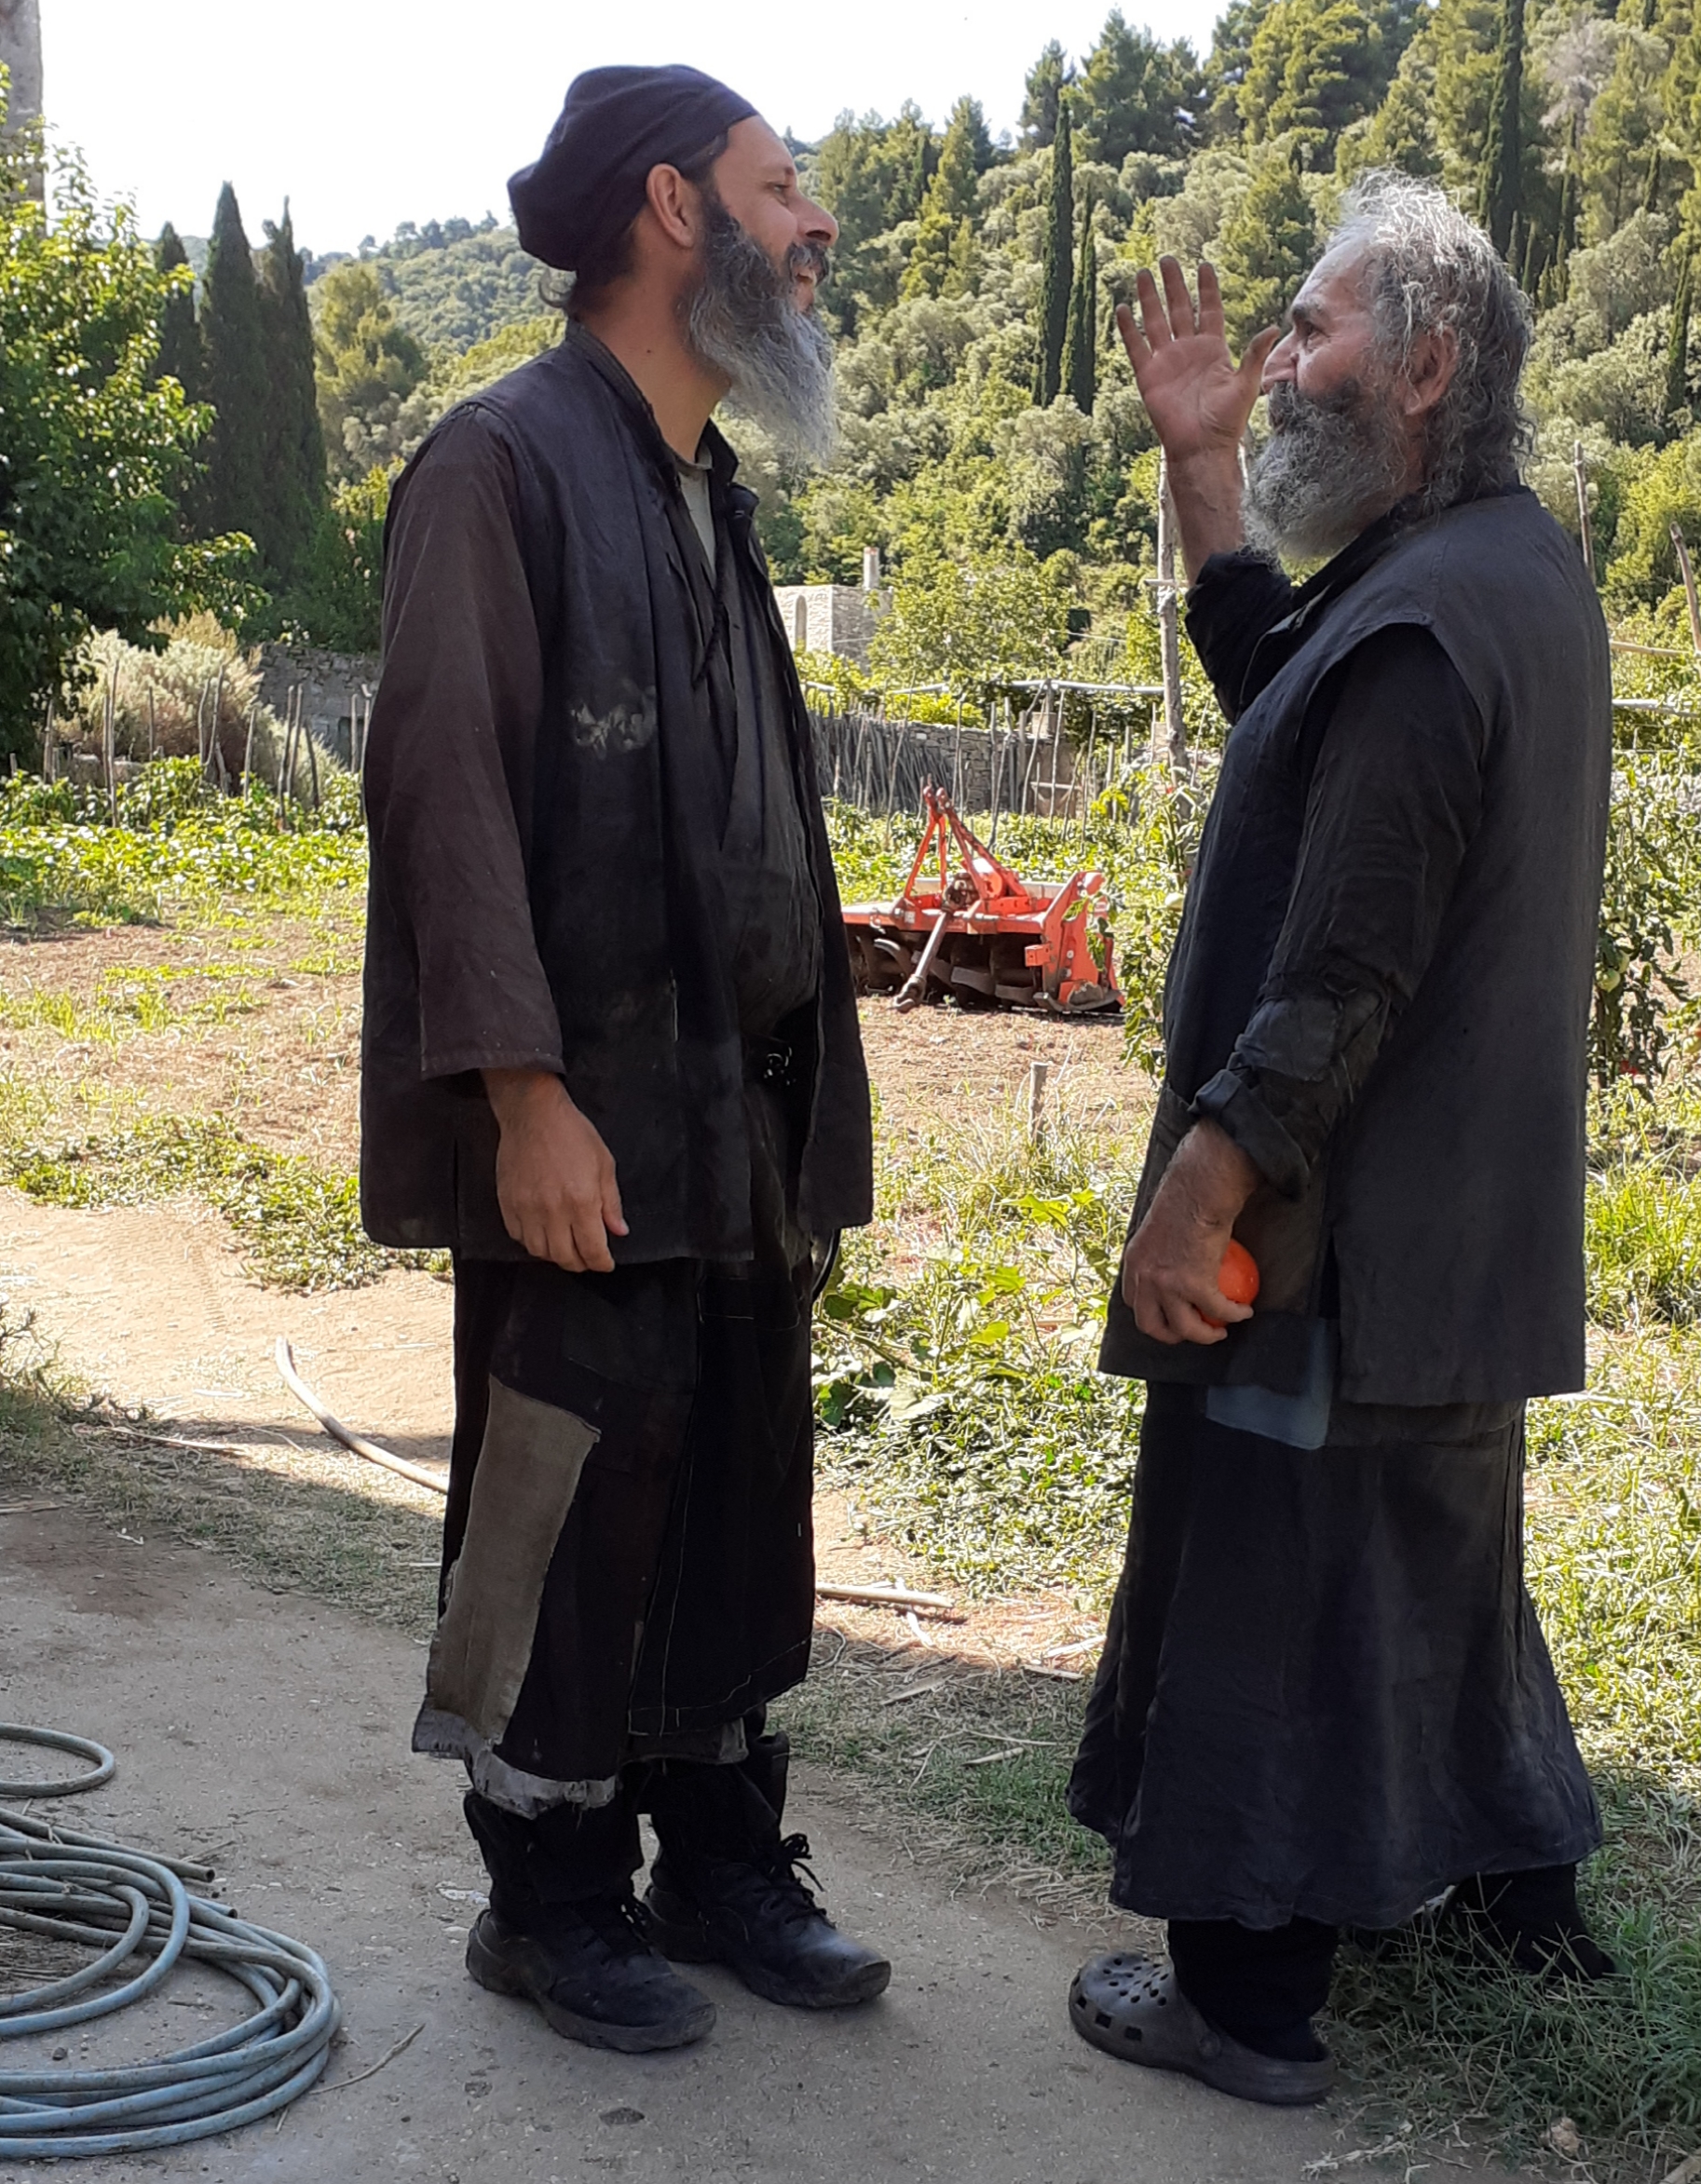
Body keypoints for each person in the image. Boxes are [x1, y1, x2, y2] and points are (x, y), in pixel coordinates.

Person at [1064, 171, 1614, 2107]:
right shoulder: (1497, 570)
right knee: (1428, 1575)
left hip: (1330, 1247)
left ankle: (1245, 1999)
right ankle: (1524, 1903)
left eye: (1313, 330)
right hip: (1460, 1254)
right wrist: (1200, 469)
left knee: (1267, 1580)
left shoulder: (1423, 621)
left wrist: (1199, 1185)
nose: (1281, 361)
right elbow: (1279, 699)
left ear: (1429, 364)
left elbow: (1342, 976)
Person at [359, 64, 888, 2056]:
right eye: (782, 186)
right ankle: (550, 1896)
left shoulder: (701, 493)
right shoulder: (498, 465)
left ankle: (720, 1855)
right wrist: (522, 1094)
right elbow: (444, 796)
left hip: (735, 1116)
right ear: (676, 209)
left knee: (736, 1487)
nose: (813, 226)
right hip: (580, 1119)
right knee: (560, 1494)